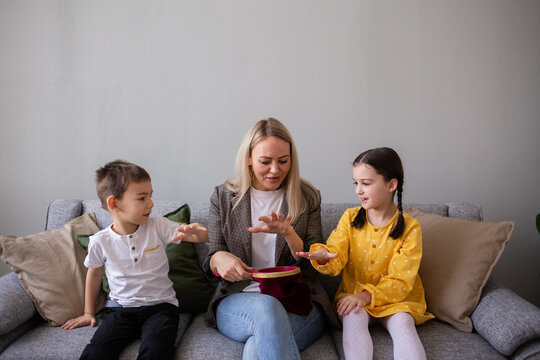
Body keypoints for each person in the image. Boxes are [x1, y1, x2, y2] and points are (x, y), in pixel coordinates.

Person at [203, 118, 339, 360]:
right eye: (265, 162)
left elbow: (312, 268)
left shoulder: (307, 197)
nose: (275, 170)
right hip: (238, 299)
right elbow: (212, 256)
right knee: (267, 307)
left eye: (283, 161)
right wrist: (220, 259)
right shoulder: (222, 197)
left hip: (298, 301)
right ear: (248, 158)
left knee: (258, 349)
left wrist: (289, 233)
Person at [62, 160, 208, 360]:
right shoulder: (100, 241)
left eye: (150, 196)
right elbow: (94, 274)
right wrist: (88, 313)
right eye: (142, 198)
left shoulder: (159, 226)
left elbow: (192, 236)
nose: (151, 203)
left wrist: (199, 233)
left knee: (156, 349)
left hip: (161, 308)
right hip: (121, 310)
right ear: (114, 203)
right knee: (96, 352)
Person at [297, 147, 434, 360]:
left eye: (366, 184)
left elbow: (401, 280)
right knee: (352, 316)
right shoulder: (350, 218)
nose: (358, 191)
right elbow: (336, 255)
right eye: (356, 183)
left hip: (396, 301)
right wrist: (324, 256)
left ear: (391, 185)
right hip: (354, 298)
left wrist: (367, 295)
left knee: (403, 323)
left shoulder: (410, 227)